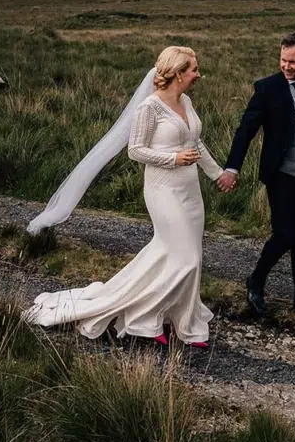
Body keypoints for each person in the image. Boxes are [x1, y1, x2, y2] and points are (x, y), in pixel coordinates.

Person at [23, 46, 224, 346]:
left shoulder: (187, 101)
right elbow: (136, 150)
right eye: (194, 69)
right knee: (188, 258)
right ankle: (144, 317)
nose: (199, 74)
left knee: (173, 253)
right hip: (163, 190)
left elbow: (197, 143)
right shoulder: (150, 108)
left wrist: (218, 173)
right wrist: (173, 159)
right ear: (178, 73)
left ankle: (181, 320)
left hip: (190, 191)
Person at [217, 32, 295, 319]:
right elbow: (246, 130)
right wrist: (232, 167)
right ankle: (256, 281)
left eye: (293, 62)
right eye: (283, 60)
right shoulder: (267, 88)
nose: (286, 66)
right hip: (281, 174)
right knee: (285, 234)